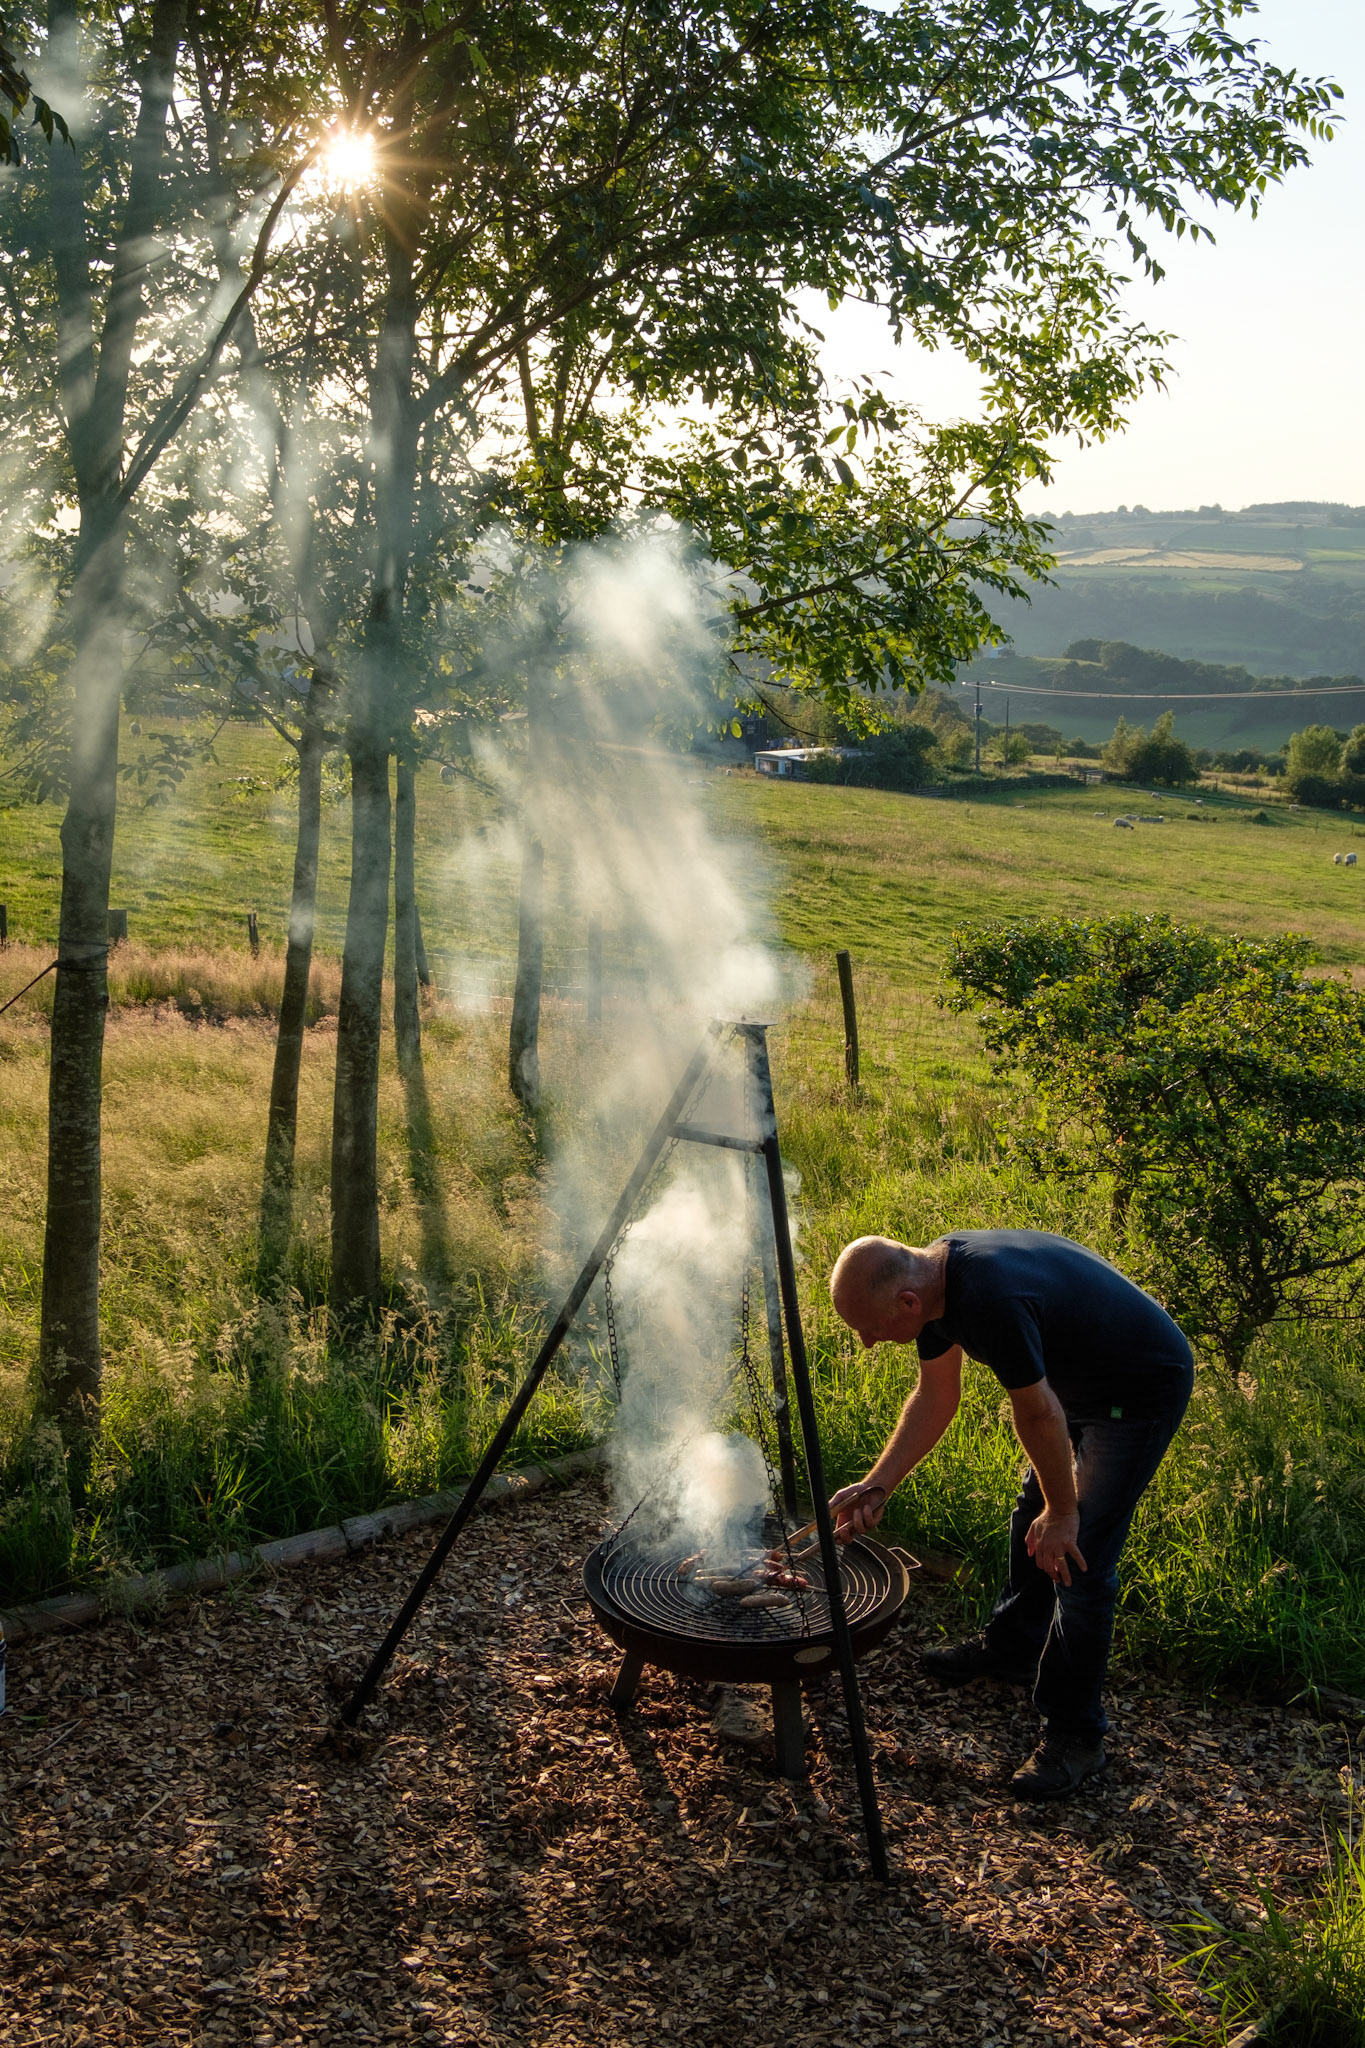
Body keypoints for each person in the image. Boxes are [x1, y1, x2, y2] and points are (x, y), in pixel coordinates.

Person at [827, 1229, 1194, 1801]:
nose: (870, 1343)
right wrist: (879, 1484)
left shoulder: (987, 1300)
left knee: (1077, 1556)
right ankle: (1014, 1649)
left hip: (1138, 1387)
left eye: (869, 1328)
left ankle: (1077, 1737)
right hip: (1078, 1379)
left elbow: (1039, 1414)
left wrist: (1066, 1511)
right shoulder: (933, 1289)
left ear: (906, 1304)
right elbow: (935, 1398)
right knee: (1034, 1516)